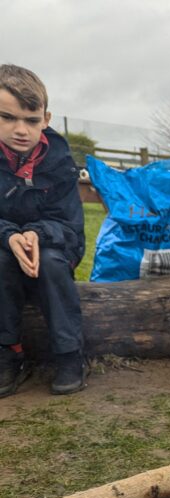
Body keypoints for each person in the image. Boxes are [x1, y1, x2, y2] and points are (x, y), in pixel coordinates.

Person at [0, 64, 86, 397]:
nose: (21, 129)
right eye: (7, 117)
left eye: (31, 120)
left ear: (46, 120)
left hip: (54, 245)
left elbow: (70, 225)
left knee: (51, 263)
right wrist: (9, 235)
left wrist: (36, 233)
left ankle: (69, 354)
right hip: (4, 246)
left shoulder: (61, 162)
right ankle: (9, 352)